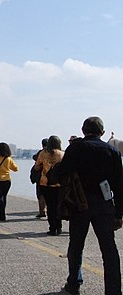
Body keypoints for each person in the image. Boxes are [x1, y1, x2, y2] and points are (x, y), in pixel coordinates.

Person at [55, 117, 123, 295]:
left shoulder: (75, 148)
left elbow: (60, 173)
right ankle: (114, 290)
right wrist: (119, 213)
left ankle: (74, 284)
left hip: (80, 204)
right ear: (102, 132)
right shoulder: (112, 151)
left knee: (76, 245)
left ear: (83, 130)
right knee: (109, 250)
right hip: (104, 204)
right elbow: (119, 184)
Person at [35, 135, 64, 236]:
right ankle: (59, 227)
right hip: (59, 184)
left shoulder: (43, 153)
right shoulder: (62, 154)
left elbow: (37, 167)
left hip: (45, 183)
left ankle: (52, 228)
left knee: (50, 206)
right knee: (58, 205)